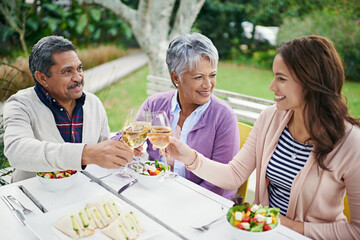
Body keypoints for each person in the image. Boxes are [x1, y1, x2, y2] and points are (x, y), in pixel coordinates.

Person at [163, 36, 360, 239]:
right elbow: (233, 176)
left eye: (281, 78)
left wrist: (291, 227)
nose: (272, 86)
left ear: (311, 82)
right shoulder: (270, 118)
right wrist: (190, 158)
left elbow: (357, 231)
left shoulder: (351, 143)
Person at [113, 33, 240, 199]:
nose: (208, 84)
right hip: (156, 191)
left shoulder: (224, 117)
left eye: (212, 75)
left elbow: (221, 184)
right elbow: (120, 140)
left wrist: (180, 201)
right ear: (176, 77)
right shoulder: (154, 105)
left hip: (200, 203)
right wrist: (124, 145)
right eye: (199, 77)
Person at [3, 36, 133, 182]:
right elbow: (16, 151)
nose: (78, 78)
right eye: (67, 71)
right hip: (32, 198)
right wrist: (85, 154)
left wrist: (118, 151)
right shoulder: (20, 104)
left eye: (79, 68)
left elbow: (101, 146)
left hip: (82, 193)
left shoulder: (93, 103)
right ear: (42, 78)